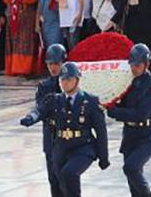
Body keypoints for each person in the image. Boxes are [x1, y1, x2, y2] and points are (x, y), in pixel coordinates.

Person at [20, 62, 110, 197]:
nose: (65, 83)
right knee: (60, 183)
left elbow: (101, 131)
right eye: (63, 80)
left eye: (69, 79)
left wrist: (104, 157)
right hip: (61, 147)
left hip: (83, 147)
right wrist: (30, 118)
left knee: (69, 173)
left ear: (77, 80)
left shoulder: (90, 101)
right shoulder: (55, 100)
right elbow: (40, 110)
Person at [106, 44, 151, 197]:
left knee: (131, 168)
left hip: (146, 136)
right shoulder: (128, 83)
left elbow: (141, 114)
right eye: (132, 65)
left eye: (138, 65)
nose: (134, 68)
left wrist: (115, 111)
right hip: (130, 134)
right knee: (133, 180)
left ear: (146, 64)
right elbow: (119, 103)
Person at [35, 44, 65, 197]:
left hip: (67, 139)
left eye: (56, 64)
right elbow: (42, 109)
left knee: (67, 179)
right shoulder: (43, 86)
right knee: (53, 179)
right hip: (51, 138)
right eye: (50, 64)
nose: (53, 67)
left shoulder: (71, 84)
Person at [3, 0, 40, 76]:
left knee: (25, 42)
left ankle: (25, 68)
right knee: (14, 41)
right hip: (13, 14)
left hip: (27, 14)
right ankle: (14, 67)